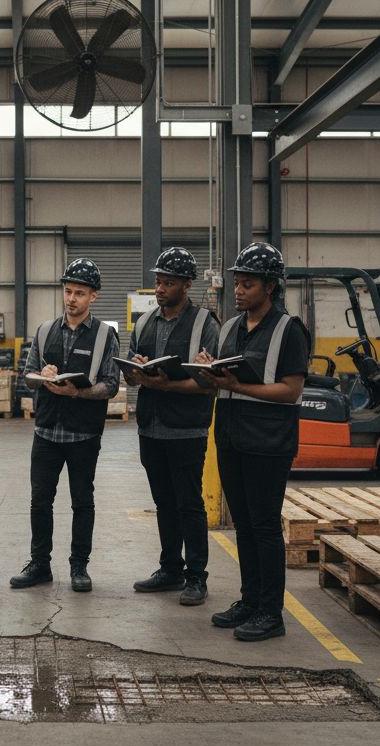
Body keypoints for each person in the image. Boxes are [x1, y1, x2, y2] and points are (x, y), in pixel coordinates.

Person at [194, 242, 310, 642]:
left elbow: (291, 391)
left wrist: (239, 386)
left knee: (263, 525)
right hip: (230, 436)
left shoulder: (288, 330)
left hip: (267, 441)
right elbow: (227, 383)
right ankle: (249, 600)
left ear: (270, 287)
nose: (238, 290)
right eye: (237, 283)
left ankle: (270, 612)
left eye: (247, 284)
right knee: (243, 523)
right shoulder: (230, 328)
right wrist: (211, 374)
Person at [9, 258, 120, 593]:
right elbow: (26, 378)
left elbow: (111, 385)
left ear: (93, 297)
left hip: (84, 434)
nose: (72, 298)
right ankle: (40, 564)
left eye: (80, 293)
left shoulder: (105, 336)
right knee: (40, 500)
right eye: (68, 291)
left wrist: (80, 391)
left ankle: (79, 567)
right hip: (46, 432)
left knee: (82, 501)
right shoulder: (45, 331)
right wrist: (41, 377)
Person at [123, 247, 221, 606]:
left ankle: (196, 575)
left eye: (169, 283)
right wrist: (135, 371)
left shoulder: (205, 324)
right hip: (151, 427)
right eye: (158, 282)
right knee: (164, 502)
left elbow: (211, 382)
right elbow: (134, 380)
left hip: (186, 430)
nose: (161, 288)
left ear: (186, 285)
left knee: (189, 504)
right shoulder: (146, 322)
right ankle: (170, 568)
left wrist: (166, 385)